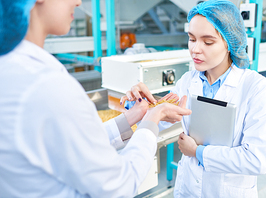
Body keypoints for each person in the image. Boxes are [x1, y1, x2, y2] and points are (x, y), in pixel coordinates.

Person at [0, 0, 192, 197]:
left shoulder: (14, 71)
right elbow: (118, 186)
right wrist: (153, 118)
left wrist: (133, 117)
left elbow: (76, 142)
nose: (78, 2)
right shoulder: (47, 86)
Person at [121, 0, 266, 197]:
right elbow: (159, 124)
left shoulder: (255, 88)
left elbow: (256, 159)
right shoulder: (187, 81)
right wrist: (141, 109)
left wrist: (198, 152)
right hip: (188, 189)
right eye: (192, 39)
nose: (195, 49)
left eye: (208, 42)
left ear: (229, 42)